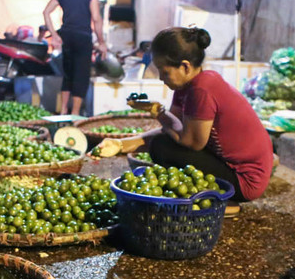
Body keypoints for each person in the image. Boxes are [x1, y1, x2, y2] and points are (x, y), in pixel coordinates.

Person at [95, 27, 274, 209]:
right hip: (228, 164)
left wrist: (159, 113)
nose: (161, 78)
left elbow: (190, 142)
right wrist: (120, 145)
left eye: (165, 72)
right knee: (163, 143)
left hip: (245, 180)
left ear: (185, 66)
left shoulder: (202, 89)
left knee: (162, 148)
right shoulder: (188, 86)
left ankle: (220, 202)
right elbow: (171, 130)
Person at [42, 0, 107, 115]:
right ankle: (75, 114)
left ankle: (64, 110)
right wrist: (101, 42)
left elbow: (46, 12)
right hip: (83, 37)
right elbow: (96, 19)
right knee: (81, 74)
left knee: (68, 74)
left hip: (67, 35)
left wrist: (54, 35)